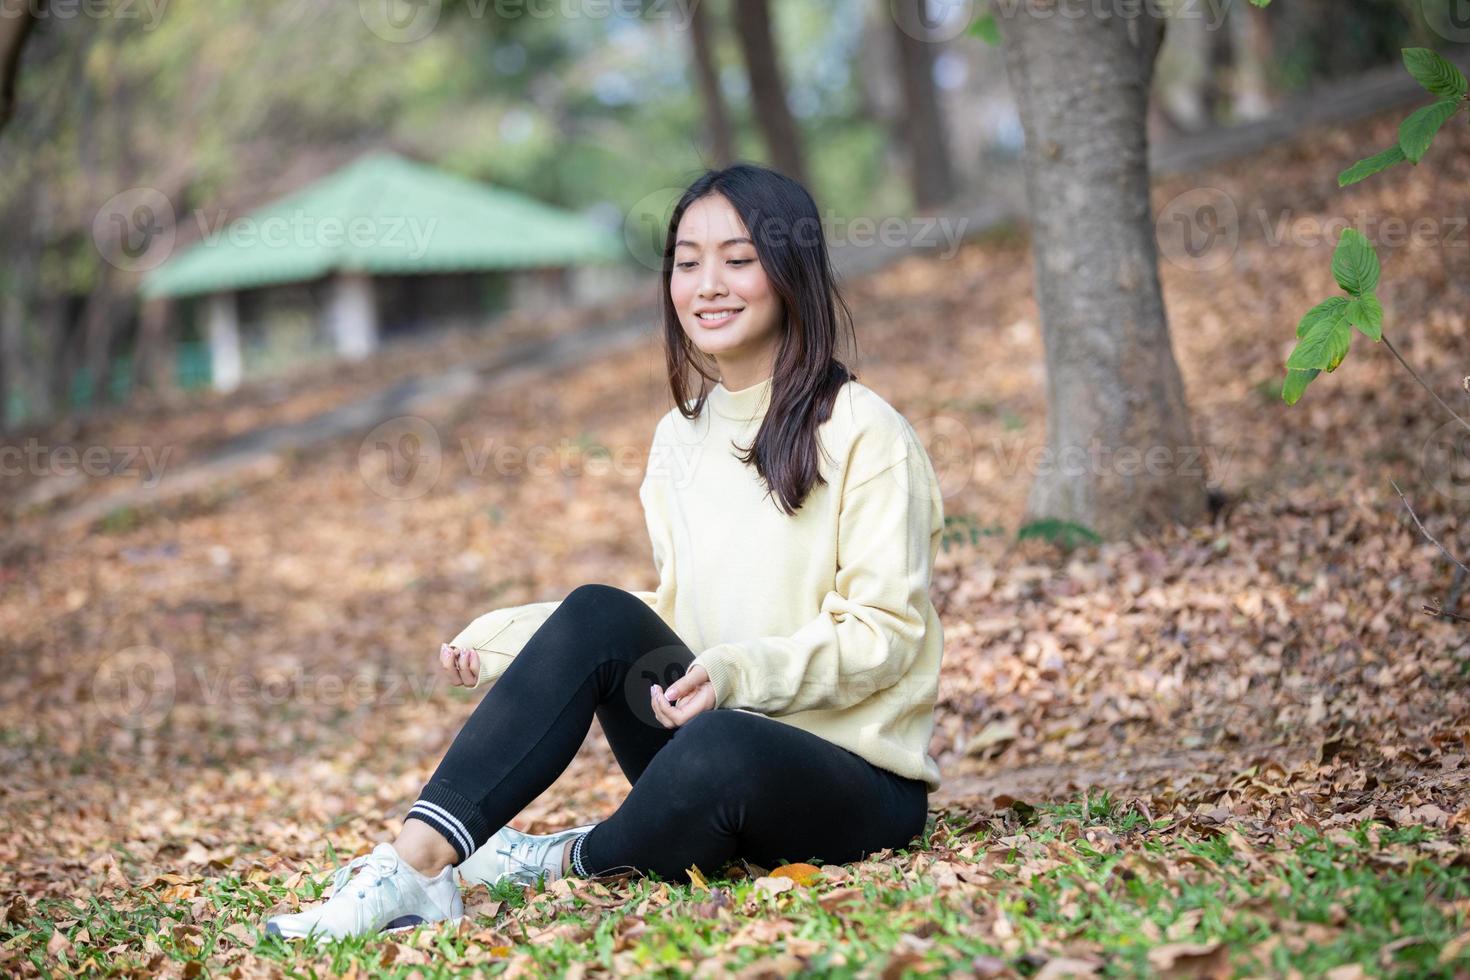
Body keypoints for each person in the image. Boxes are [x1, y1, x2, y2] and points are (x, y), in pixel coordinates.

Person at [265, 163, 946, 941]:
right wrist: (513, 641)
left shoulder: (866, 431)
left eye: (738, 258)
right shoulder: (678, 437)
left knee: (722, 744)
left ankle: (566, 858)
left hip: (853, 782)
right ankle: (417, 868)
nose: (708, 284)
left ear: (790, 271)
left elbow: (886, 634)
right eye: (687, 263)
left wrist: (735, 673)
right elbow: (663, 614)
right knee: (598, 609)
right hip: (712, 745)